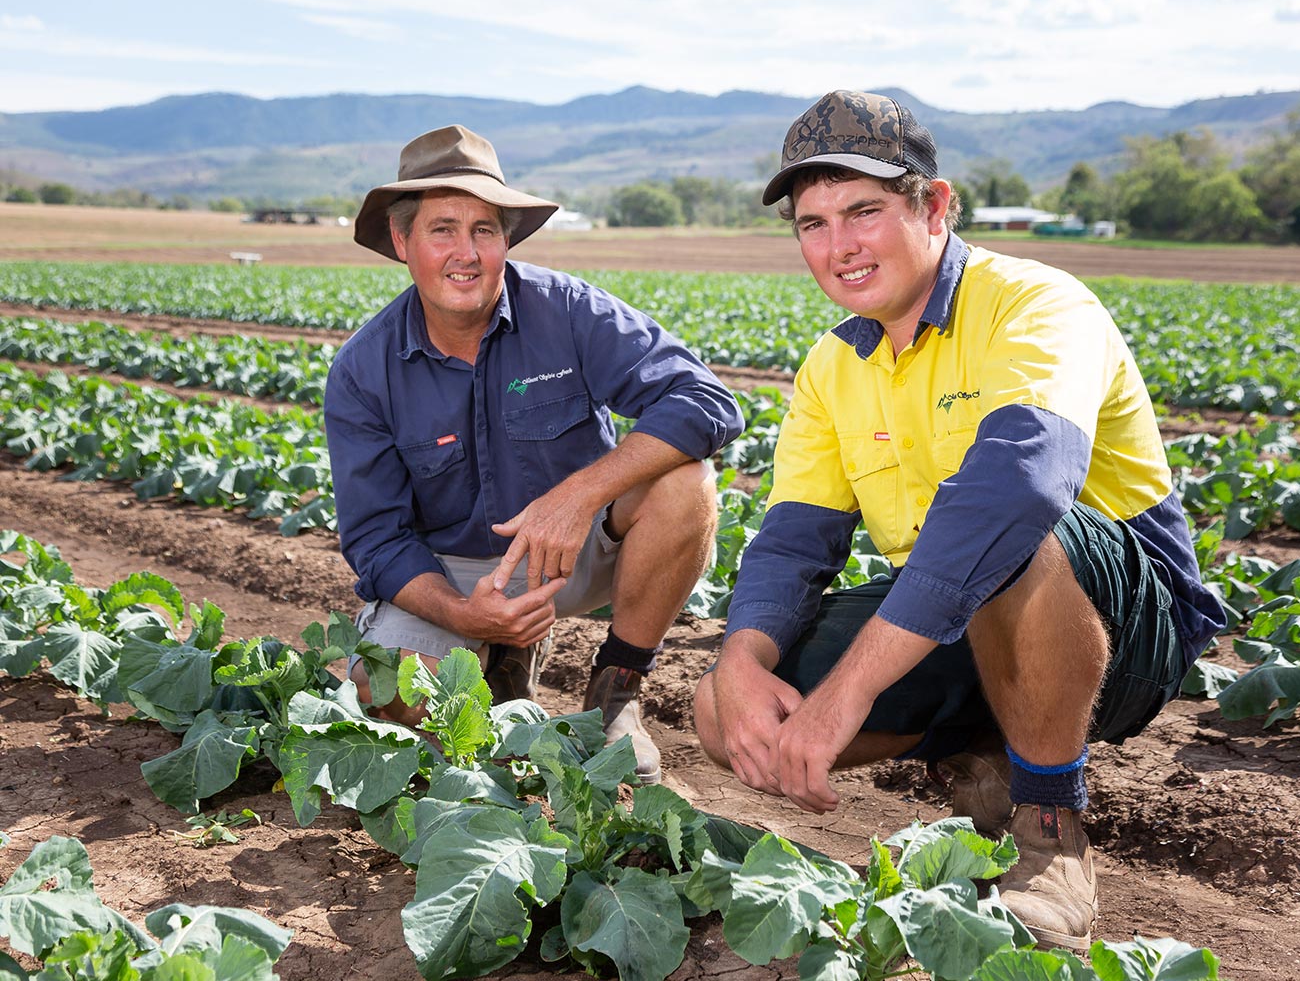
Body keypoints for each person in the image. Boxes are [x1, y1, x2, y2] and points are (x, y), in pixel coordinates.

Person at [694, 90, 1224, 949]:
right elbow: (794, 538)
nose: (840, 245)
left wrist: (850, 693)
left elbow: (1017, 489)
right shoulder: (834, 363)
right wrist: (744, 660)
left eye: (864, 211)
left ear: (934, 207)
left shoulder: (1038, 303)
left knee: (1005, 532)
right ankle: (984, 751)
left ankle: (1051, 829)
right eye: (814, 223)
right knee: (722, 712)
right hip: (957, 614)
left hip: (1125, 627)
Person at [325, 124, 743, 785]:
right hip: (452, 573)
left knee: (685, 479)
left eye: (484, 231)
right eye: (442, 230)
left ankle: (616, 696)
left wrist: (578, 495)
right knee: (392, 694)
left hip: (571, 555)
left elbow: (706, 401)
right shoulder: (363, 370)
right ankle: (496, 660)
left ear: (506, 240)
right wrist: (463, 614)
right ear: (402, 242)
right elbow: (376, 538)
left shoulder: (569, 312)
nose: (466, 253)